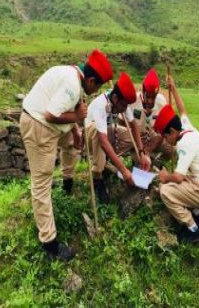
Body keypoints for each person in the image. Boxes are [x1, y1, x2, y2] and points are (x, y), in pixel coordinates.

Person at [20, 49, 113, 261]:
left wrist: (76, 131)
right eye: (97, 86)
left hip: (48, 125)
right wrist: (77, 117)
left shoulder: (73, 75)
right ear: (90, 80)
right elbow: (51, 114)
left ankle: (67, 184)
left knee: (72, 144)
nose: (96, 90)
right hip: (39, 126)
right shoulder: (73, 85)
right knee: (42, 183)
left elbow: (64, 108)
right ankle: (50, 244)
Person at [154, 75, 199, 244]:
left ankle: (193, 228)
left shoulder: (184, 144)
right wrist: (173, 88)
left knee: (165, 191)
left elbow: (178, 177)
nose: (166, 141)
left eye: (166, 136)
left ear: (173, 131)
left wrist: (165, 176)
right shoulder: (186, 127)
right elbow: (182, 110)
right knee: (174, 185)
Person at [85, 72, 151, 203]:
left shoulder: (121, 101)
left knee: (129, 134)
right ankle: (98, 177)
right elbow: (103, 140)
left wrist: (141, 152)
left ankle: (125, 162)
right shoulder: (100, 105)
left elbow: (133, 125)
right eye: (123, 106)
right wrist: (123, 170)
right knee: (99, 135)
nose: (124, 109)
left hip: (108, 132)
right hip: (89, 137)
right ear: (114, 98)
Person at [130, 68, 173, 162]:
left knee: (171, 151)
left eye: (153, 97)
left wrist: (152, 147)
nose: (150, 101)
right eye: (148, 97)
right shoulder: (133, 101)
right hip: (136, 137)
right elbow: (123, 123)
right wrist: (139, 145)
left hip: (153, 136)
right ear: (143, 92)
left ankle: (155, 161)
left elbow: (164, 130)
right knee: (139, 161)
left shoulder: (161, 102)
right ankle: (138, 157)